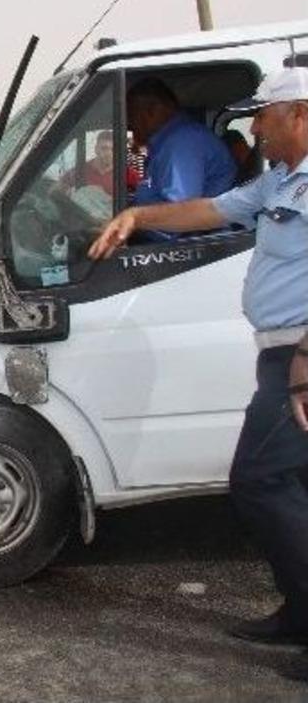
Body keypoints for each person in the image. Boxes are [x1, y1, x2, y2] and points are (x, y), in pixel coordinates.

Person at [88, 67, 308, 684]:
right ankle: (298, 611)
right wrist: (137, 217)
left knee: (261, 480)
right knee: (289, 485)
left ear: (300, 114)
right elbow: (207, 210)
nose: (255, 125)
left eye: (264, 113)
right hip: (280, 354)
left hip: (301, 358)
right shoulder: (278, 184)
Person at [127, 77, 237, 209]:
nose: (129, 125)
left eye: (132, 115)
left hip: (186, 229)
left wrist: (133, 219)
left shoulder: (183, 142)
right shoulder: (166, 143)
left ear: (153, 111)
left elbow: (179, 213)